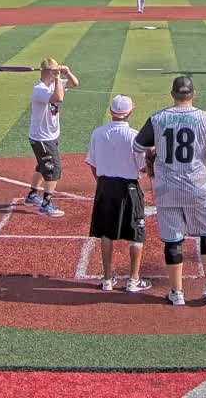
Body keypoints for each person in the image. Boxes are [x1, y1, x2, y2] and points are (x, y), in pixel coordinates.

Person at [133, 76, 206, 306]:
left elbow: (138, 146)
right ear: (193, 94)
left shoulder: (158, 118)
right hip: (198, 187)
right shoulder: (205, 118)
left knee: (173, 239)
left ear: (173, 94)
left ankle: (176, 292)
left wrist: (154, 151)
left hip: (167, 188)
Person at [86, 94, 152, 293]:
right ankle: (133, 280)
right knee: (136, 234)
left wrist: (103, 184)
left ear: (111, 112)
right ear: (130, 112)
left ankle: (107, 280)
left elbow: (93, 165)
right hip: (129, 188)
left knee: (106, 234)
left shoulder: (97, 133)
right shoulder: (135, 136)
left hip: (105, 187)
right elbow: (142, 168)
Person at [24, 57, 79, 217]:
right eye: (55, 70)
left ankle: (32, 196)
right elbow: (59, 98)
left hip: (50, 135)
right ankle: (46, 205)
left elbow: (74, 83)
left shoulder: (55, 84)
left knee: (42, 167)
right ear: (48, 72)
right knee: (53, 169)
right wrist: (57, 77)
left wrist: (67, 72)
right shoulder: (39, 89)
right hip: (42, 138)